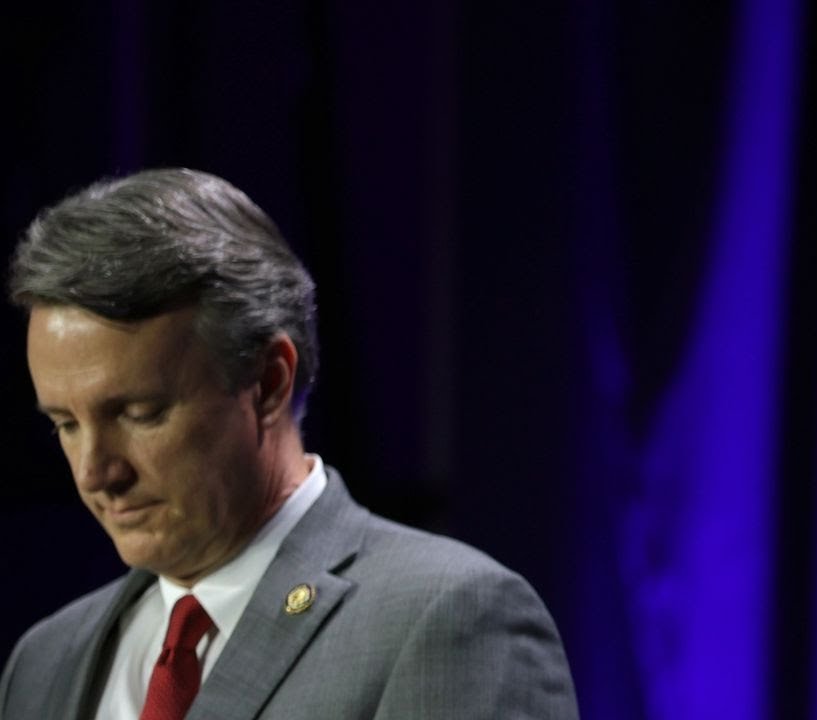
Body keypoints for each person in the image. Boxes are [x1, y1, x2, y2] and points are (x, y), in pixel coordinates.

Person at [0, 168, 579, 719]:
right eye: (65, 425)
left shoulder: (447, 619)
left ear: (268, 383)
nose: (95, 473)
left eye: (140, 413)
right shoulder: (44, 660)